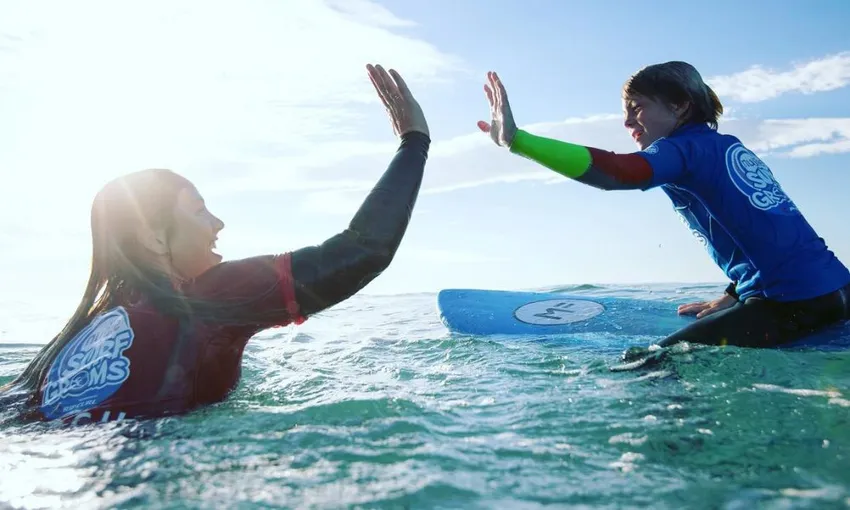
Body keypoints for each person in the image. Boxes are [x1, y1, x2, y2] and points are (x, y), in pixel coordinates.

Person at [0, 64, 431, 426]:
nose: (218, 223)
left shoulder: (73, 338)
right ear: (153, 236)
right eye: (200, 211)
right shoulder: (208, 299)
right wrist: (414, 142)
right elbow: (363, 250)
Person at [477, 62, 850, 352]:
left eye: (636, 108)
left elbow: (620, 173)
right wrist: (736, 294)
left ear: (680, 105)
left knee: (647, 363)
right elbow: (767, 230)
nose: (627, 122)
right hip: (836, 291)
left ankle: (686, 451)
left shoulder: (682, 150)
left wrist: (517, 141)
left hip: (795, 305)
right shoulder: (722, 146)